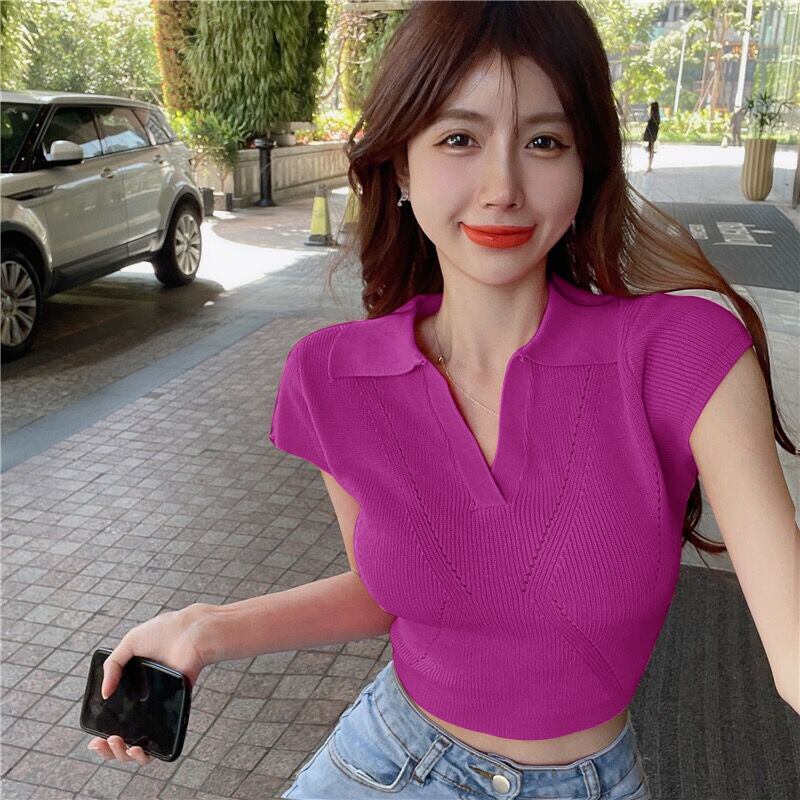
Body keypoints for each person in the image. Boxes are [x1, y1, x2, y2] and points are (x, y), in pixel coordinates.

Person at [88, 2, 798, 798]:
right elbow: (385, 590)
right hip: (386, 760)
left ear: (586, 166)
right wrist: (203, 628)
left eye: (544, 142)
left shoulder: (683, 354)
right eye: (459, 139)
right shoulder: (331, 376)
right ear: (401, 165)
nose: (503, 188)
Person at [642, 101, 660, 171]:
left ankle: (649, 166)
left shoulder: (654, 118)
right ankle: (649, 165)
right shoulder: (656, 117)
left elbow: (652, 127)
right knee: (651, 149)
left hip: (651, 134)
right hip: (652, 134)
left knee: (651, 149)